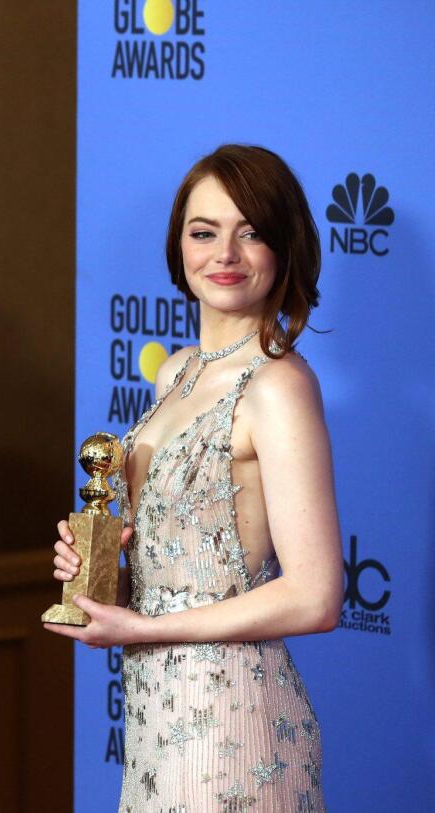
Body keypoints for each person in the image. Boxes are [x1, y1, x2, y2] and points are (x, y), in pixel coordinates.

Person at [45, 145, 342, 811]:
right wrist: (101, 574)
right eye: (204, 232)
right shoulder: (174, 371)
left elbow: (317, 596)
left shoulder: (277, 384)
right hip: (158, 713)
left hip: (233, 717)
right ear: (179, 245)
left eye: (251, 232)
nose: (225, 254)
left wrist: (139, 630)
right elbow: (176, 572)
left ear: (284, 244)